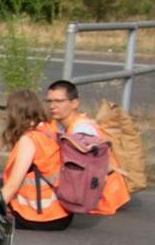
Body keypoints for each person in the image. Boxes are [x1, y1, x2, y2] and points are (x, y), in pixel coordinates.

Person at [43, 80, 131, 215]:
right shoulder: (65, 125)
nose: (52, 106)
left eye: (59, 101)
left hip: (103, 198)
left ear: (74, 103)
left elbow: (89, 170)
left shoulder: (83, 130)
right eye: (49, 101)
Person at [0, 89, 71, 230]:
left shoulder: (29, 140)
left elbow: (13, 185)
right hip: (62, 213)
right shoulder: (50, 129)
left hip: (39, 216)